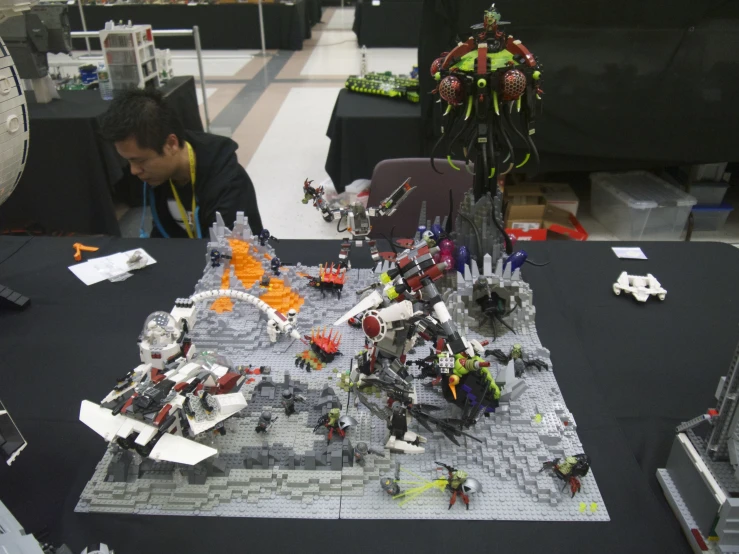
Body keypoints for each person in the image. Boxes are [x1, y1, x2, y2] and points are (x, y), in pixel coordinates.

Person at [100, 89, 263, 238]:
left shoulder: (228, 183)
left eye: (140, 161)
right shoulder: (160, 174)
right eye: (129, 161)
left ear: (171, 144)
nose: (134, 171)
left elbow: (229, 254)